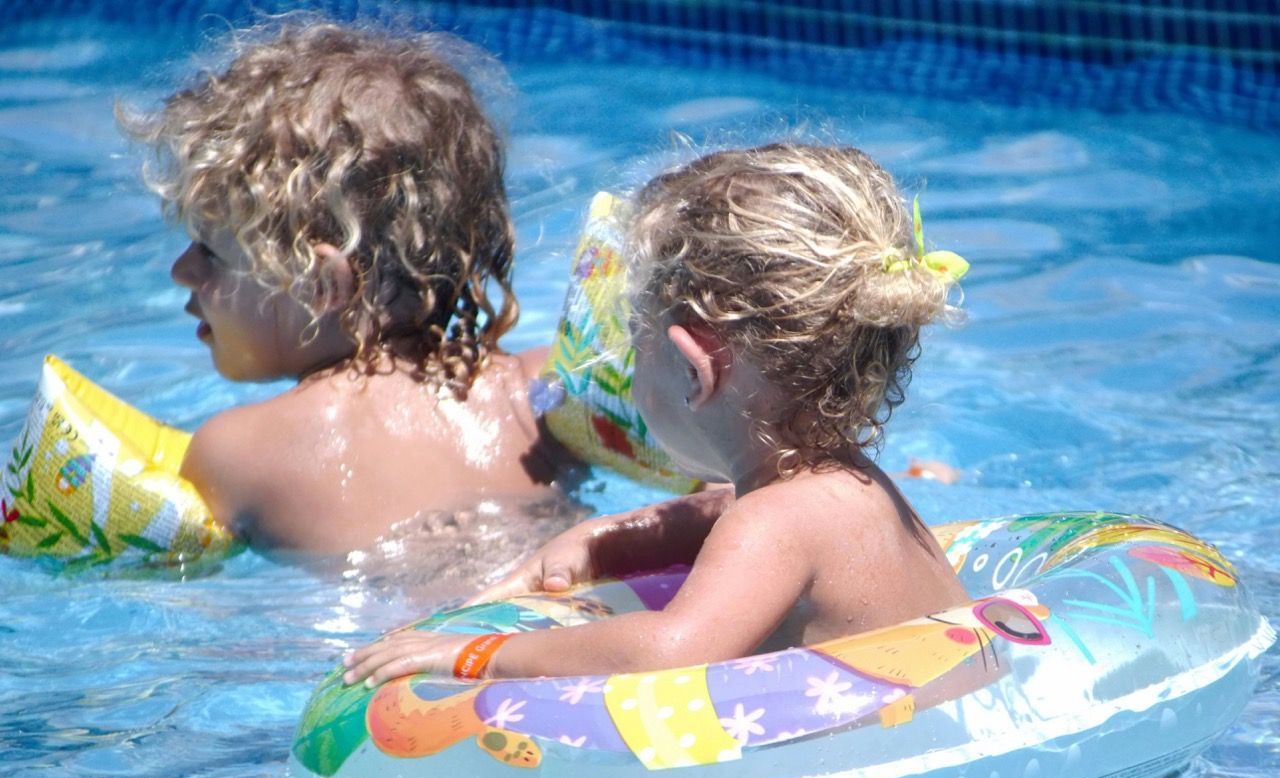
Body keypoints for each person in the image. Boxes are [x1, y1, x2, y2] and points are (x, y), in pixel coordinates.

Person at [343, 142, 973, 684]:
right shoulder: (852, 488)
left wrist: (481, 654)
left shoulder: (773, 525)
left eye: (632, 345)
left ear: (695, 372)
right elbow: (724, 516)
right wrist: (598, 542)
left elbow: (669, 653)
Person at [119, 22, 573, 553]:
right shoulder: (542, 396)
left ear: (320, 284)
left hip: (395, 637)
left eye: (210, 253)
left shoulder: (231, 452)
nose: (181, 271)